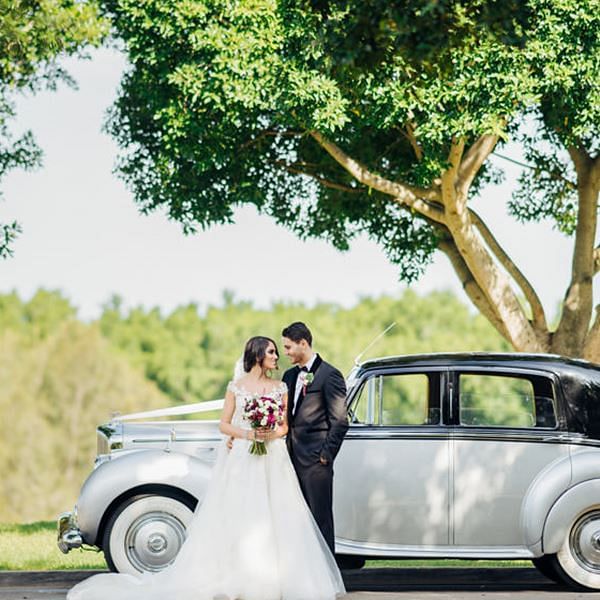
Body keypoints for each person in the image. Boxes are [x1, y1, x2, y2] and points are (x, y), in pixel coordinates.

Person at [67, 336, 345, 600]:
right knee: (242, 514)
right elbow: (224, 424)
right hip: (244, 457)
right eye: (272, 351)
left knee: (280, 515)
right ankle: (238, 576)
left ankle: (281, 579)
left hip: (273, 456)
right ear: (258, 356)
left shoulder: (280, 387)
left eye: (278, 350)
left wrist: (269, 434)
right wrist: (249, 435)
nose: (277, 356)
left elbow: (284, 425)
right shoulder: (236, 386)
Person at [281, 322, 349, 554]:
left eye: (289, 347)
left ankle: (327, 580)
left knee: (320, 520)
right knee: (296, 521)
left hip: (315, 462)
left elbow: (340, 421)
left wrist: (325, 456)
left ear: (303, 343)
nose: (286, 352)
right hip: (290, 459)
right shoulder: (289, 376)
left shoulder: (330, 375)